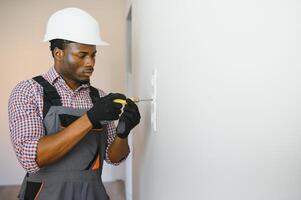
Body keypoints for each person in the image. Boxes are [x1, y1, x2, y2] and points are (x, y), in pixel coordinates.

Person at [8, 7, 140, 200]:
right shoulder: (28, 91)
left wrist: (123, 133)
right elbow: (32, 158)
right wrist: (91, 118)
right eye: (82, 55)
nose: (90, 63)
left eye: (94, 55)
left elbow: (114, 158)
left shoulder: (99, 97)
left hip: (92, 193)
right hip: (45, 193)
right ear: (58, 53)